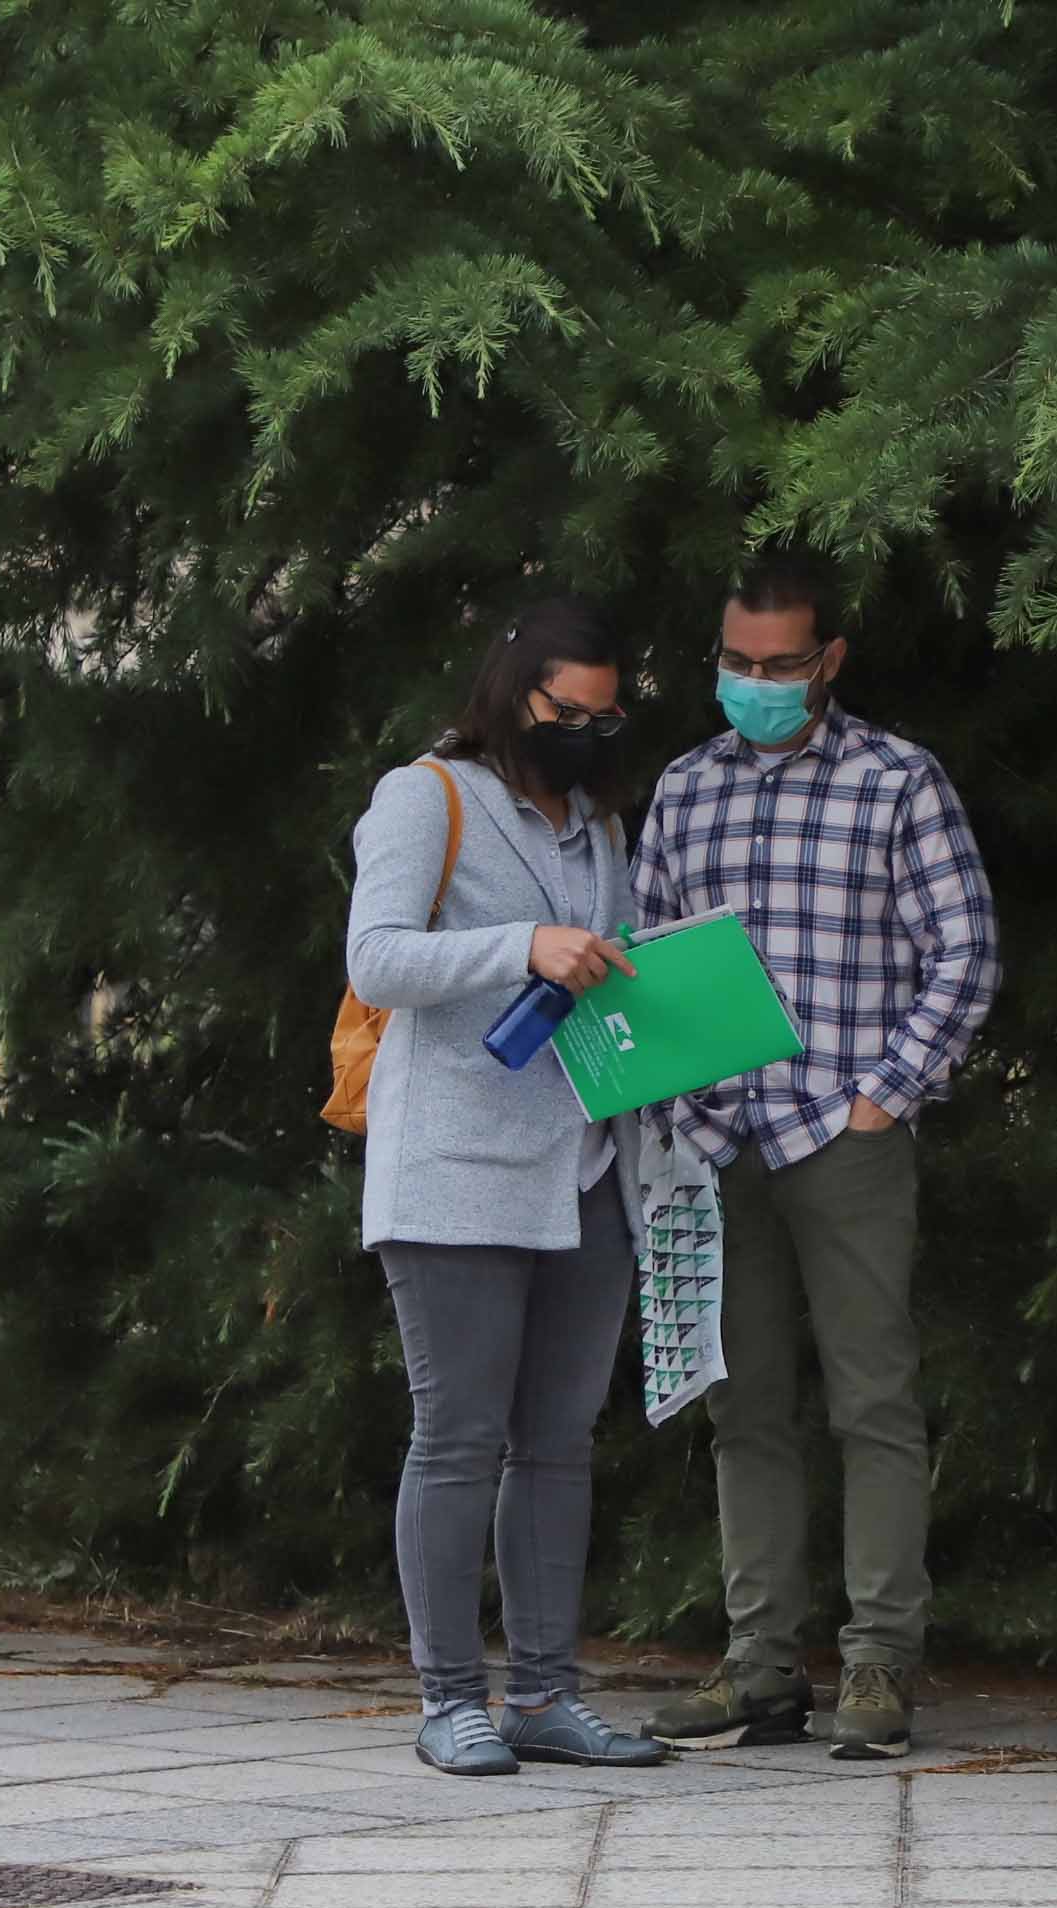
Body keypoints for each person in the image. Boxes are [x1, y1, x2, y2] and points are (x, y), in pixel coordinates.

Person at [633, 559, 1000, 1761]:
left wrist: (881, 1099)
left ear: (829, 660)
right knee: (741, 1410)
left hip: (841, 1137)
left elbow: (964, 954)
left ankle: (881, 1664)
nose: (754, 684)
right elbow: (644, 958)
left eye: (780, 665)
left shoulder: (896, 781)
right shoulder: (684, 788)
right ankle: (759, 1673)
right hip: (712, 1136)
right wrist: (668, 1109)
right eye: (735, 663)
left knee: (872, 1402)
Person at [345, 598, 669, 1776]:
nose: (585, 732)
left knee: (557, 1443)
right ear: (509, 691)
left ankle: (543, 1693)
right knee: (458, 1437)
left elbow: (615, 972)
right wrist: (520, 943)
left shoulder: (594, 824)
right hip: (455, 1172)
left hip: (582, 1167)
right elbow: (374, 957)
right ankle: (448, 1699)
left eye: (605, 715)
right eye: (562, 711)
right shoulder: (423, 795)